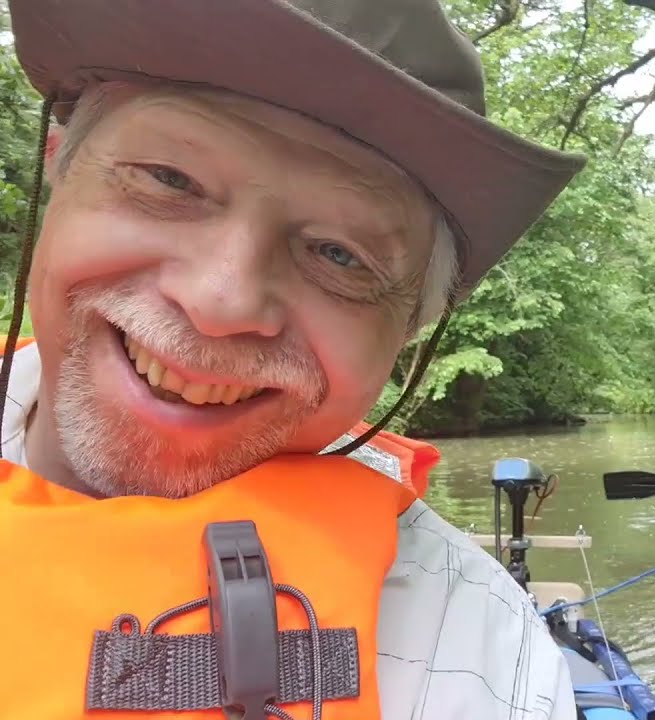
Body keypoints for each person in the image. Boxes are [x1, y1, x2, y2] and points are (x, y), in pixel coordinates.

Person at [0, 1, 587, 718]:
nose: (220, 302)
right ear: (58, 167)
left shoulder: (480, 651)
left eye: (339, 254)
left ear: (412, 325)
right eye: (169, 179)